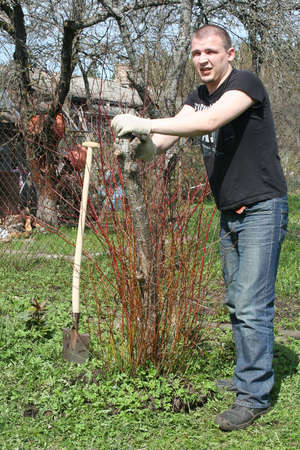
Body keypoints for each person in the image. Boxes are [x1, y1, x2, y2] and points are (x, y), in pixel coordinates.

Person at [111, 24, 288, 431]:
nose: (203, 59)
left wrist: (144, 120)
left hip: (263, 206)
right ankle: (247, 375)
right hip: (229, 211)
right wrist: (139, 141)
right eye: (196, 53)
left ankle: (255, 395)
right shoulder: (196, 98)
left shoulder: (246, 85)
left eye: (211, 51)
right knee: (235, 300)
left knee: (251, 302)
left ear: (230, 54)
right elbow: (163, 140)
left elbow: (207, 124)